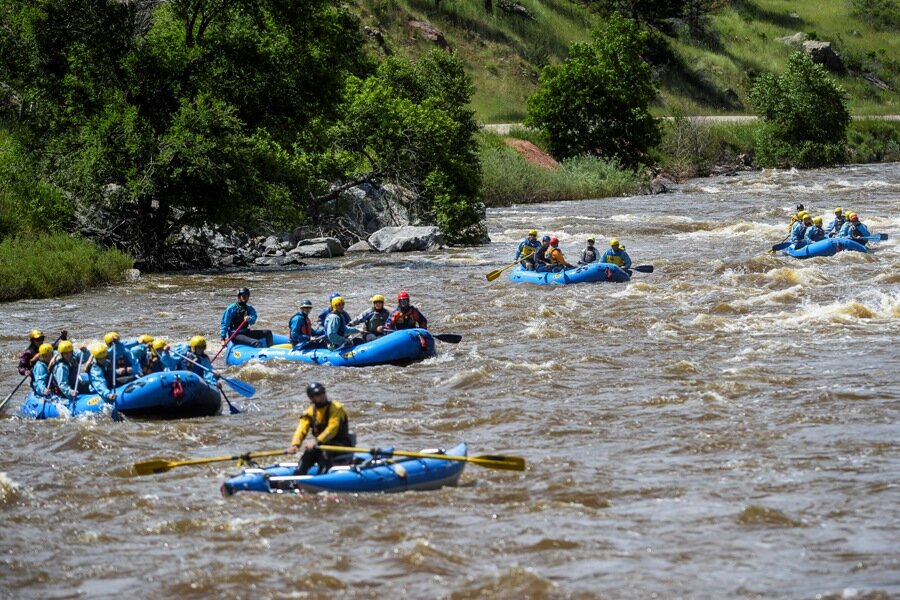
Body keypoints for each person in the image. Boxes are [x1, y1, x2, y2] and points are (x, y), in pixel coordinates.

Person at [287, 382, 354, 475]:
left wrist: (316, 441)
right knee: (308, 454)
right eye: (317, 394)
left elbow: (332, 428)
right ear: (311, 398)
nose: (321, 396)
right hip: (321, 445)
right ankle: (297, 478)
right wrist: (295, 445)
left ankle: (323, 477)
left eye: (322, 393)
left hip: (340, 445)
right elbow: (301, 429)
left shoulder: (336, 408)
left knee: (324, 453)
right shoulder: (310, 412)